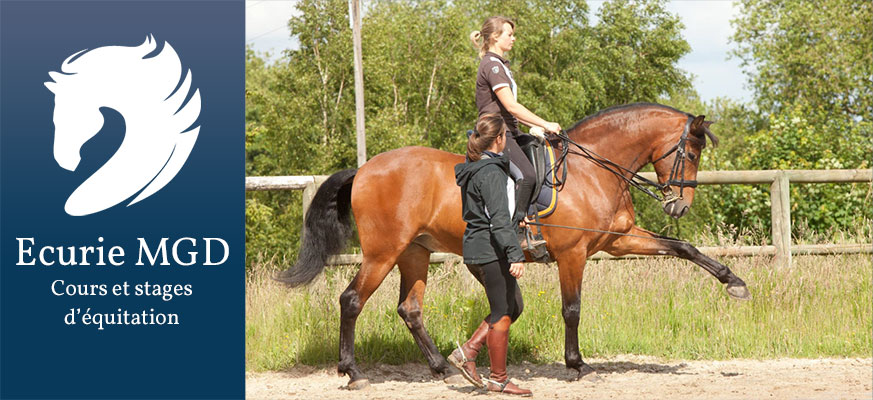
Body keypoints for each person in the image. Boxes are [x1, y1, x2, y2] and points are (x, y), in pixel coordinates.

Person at [450, 113, 532, 396]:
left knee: (514, 307)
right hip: (491, 251)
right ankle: (498, 378)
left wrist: (514, 220)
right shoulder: (492, 172)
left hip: (478, 247)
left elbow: (489, 212)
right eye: (505, 136)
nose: (507, 140)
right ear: (498, 139)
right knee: (502, 312)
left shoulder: (476, 168)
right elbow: (496, 219)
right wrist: (516, 254)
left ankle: (469, 350)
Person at [470, 16, 561, 250]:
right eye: (509, 34)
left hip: (509, 130)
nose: (513, 38)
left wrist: (534, 127)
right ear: (495, 37)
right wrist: (546, 123)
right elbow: (511, 107)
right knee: (527, 175)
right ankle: (516, 232)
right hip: (497, 134)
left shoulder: (499, 64)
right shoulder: (492, 66)